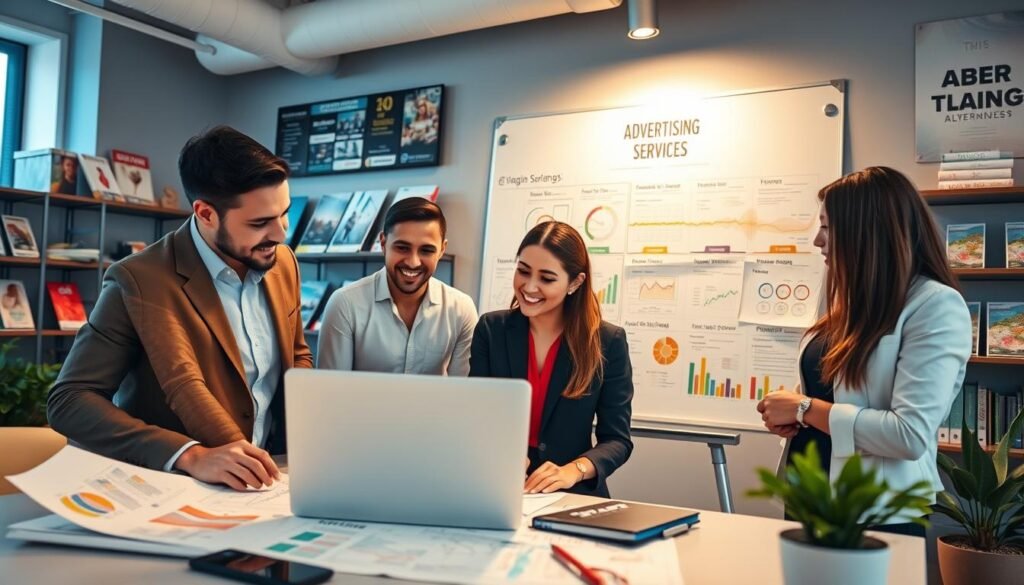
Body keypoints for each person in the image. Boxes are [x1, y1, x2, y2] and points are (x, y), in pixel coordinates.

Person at [48, 126, 313, 491]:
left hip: (273, 483)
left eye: (284, 213)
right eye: (260, 223)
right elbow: (70, 401)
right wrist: (189, 455)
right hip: (175, 489)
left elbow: (296, 355)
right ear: (205, 213)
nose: (282, 234)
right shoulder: (138, 278)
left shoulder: (282, 262)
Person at [757, 166, 971, 536]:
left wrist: (806, 410)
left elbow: (909, 434)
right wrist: (791, 408)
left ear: (866, 230)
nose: (817, 241)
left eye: (827, 227)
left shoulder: (935, 306)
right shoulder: (849, 302)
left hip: (876, 512)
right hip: (810, 496)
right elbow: (836, 390)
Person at [469, 221, 633, 497]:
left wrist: (573, 470)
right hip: (499, 486)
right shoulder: (491, 330)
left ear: (576, 282)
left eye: (546, 278)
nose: (529, 287)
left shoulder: (608, 342)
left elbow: (617, 440)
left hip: (573, 494)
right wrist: (498, 454)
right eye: (523, 271)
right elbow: (476, 416)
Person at [318, 197, 477, 375]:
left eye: (426, 250)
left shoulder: (461, 309)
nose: (413, 262)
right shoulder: (345, 304)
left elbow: (461, 395)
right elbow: (332, 392)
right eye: (402, 248)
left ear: (441, 250)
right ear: (383, 243)